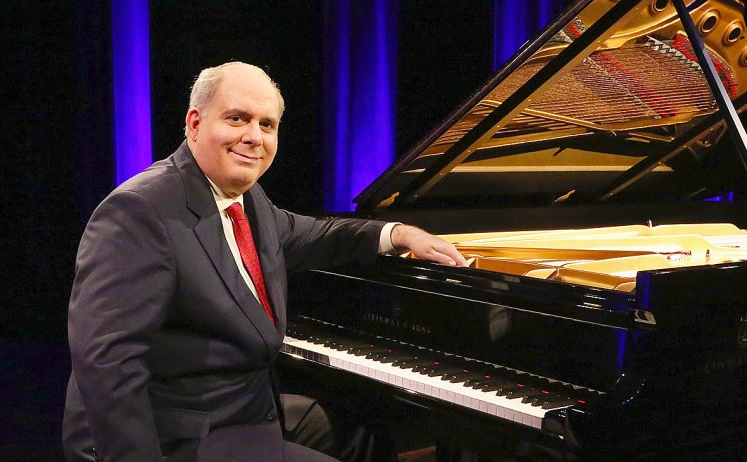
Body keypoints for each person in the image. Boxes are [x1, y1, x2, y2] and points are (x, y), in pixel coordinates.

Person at [62, 61, 467, 461]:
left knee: (364, 430)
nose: (254, 137)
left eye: (267, 124)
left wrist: (397, 233)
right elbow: (107, 364)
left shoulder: (246, 199)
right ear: (195, 123)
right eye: (237, 118)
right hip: (179, 436)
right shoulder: (141, 211)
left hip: (244, 411)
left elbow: (315, 234)